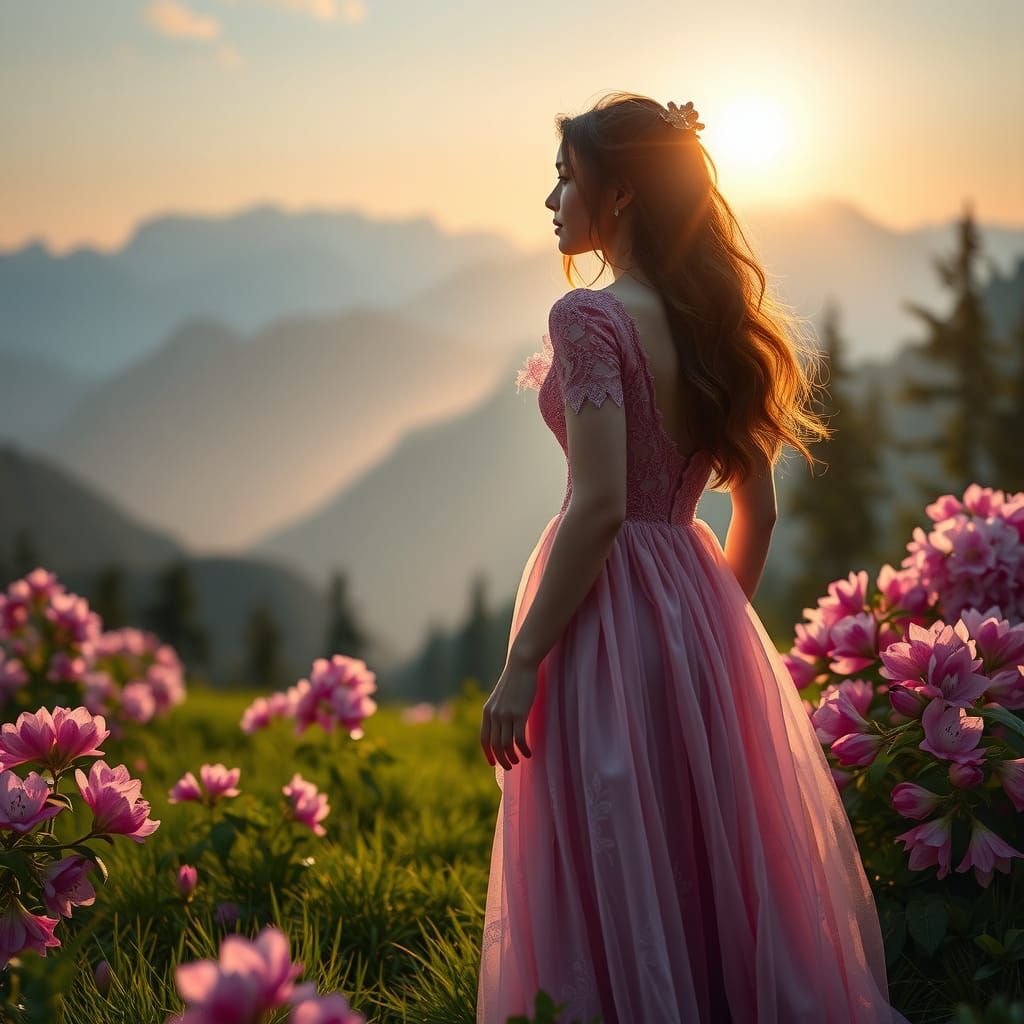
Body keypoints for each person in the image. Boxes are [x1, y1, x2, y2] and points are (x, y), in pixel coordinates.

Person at [475, 92, 912, 1024]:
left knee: (614, 828)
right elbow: (757, 503)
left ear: (621, 193)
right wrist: (716, 626)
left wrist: (521, 664)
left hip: (601, 605)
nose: (553, 199)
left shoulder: (588, 318)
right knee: (698, 832)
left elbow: (597, 506)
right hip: (691, 596)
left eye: (567, 177)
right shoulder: (710, 321)